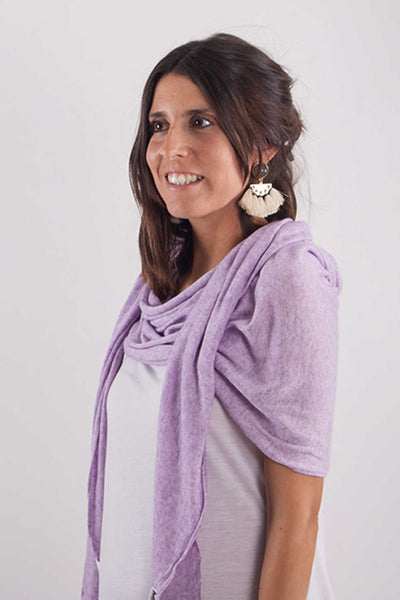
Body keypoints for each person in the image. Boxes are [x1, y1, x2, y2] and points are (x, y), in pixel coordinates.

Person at [81, 33, 342, 600]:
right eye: (158, 125)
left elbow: (297, 518)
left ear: (264, 146)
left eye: (201, 122)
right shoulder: (156, 290)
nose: (171, 147)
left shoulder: (287, 278)